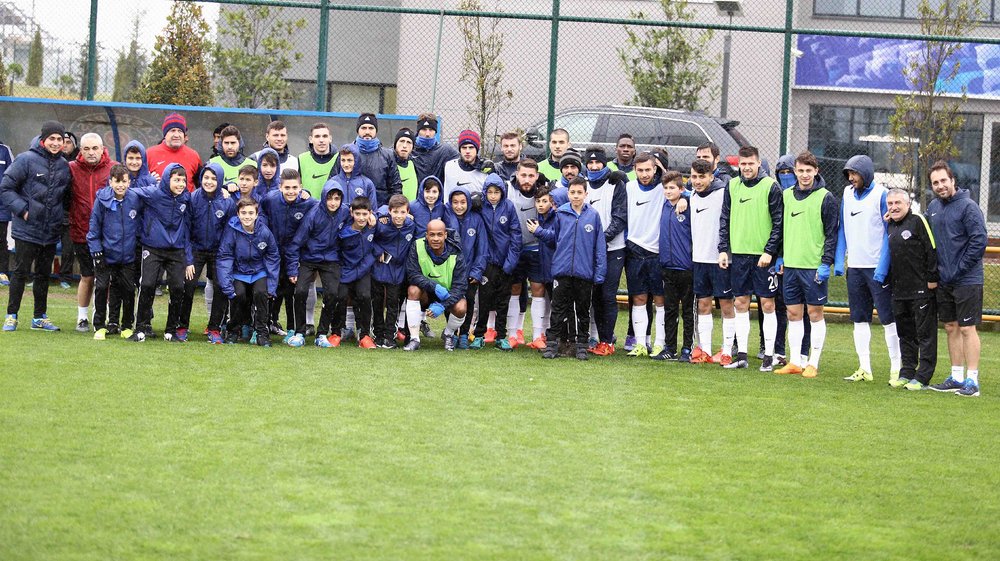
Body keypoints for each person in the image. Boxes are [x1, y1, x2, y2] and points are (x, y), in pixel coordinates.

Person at [835, 155, 902, 383]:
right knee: (859, 319)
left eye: (854, 173)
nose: (851, 178)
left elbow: (889, 232)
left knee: (888, 319)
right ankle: (865, 368)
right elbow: (842, 228)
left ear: (866, 173)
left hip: (876, 268)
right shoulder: (846, 194)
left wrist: (882, 268)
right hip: (855, 268)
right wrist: (839, 261)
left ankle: (896, 368)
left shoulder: (882, 194)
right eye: (849, 174)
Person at [1, 121, 72, 332]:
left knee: (43, 275)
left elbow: (66, 197)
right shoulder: (25, 159)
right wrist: (23, 210)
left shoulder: (64, 165)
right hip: (26, 229)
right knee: (20, 273)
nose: (56, 143)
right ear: (43, 140)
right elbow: (6, 188)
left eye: (60, 139)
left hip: (50, 231)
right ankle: (11, 316)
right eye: (52, 138)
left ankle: (39, 317)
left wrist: (60, 218)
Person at [772, 152, 838, 378]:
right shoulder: (786, 195)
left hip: (813, 267)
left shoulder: (826, 197)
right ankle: (794, 362)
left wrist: (826, 263)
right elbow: (781, 229)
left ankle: (813, 362)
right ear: (795, 172)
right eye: (800, 171)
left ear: (816, 171)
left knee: (815, 313)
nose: (804, 175)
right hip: (791, 266)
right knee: (793, 313)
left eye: (808, 171)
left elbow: (831, 234)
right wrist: (780, 256)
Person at [924, 160, 987, 397]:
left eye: (943, 180)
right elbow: (925, 234)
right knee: (951, 327)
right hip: (944, 280)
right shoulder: (933, 207)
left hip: (967, 279)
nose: (940, 186)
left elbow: (979, 241)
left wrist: (959, 269)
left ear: (953, 180)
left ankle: (972, 381)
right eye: (935, 183)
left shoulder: (969, 207)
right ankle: (957, 377)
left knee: (967, 328)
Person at [718, 145, 782, 370]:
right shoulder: (732, 185)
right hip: (739, 255)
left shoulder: (771, 186)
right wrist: (723, 248)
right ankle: (742, 356)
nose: (746, 168)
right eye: (742, 164)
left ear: (758, 163)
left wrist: (769, 251)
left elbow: (779, 223)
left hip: (763, 257)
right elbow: (725, 218)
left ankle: (769, 357)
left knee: (768, 304)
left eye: (750, 164)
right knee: (740, 302)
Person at [533, 176, 607, 360]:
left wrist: (599, 272)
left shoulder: (593, 216)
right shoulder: (561, 214)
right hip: (562, 270)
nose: (576, 196)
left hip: (584, 272)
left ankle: (581, 345)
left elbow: (599, 246)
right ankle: (552, 344)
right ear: (568, 194)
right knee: (558, 309)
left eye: (579, 192)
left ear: (586, 194)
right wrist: (540, 232)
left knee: (582, 310)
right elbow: (555, 238)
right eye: (572, 192)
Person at [129, 164, 195, 342]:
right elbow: (131, 192)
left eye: (183, 180)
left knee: (177, 288)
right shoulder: (154, 193)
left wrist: (189, 258)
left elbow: (187, 228)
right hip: (153, 247)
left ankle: (170, 331)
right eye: (176, 180)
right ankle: (140, 328)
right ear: (167, 179)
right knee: (147, 284)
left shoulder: (186, 198)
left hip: (176, 250)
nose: (181, 184)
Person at [884, 188, 938, 391]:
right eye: (890, 204)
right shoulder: (890, 225)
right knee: (905, 334)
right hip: (899, 291)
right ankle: (906, 372)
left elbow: (931, 249)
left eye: (898, 203)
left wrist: (932, 278)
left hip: (921, 290)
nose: (894, 207)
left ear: (908, 204)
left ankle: (923, 376)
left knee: (925, 334)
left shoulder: (918, 221)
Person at [286, 181, 349, 348]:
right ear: (324, 198)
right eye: (329, 198)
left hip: (331, 259)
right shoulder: (313, 215)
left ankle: (322, 334)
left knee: (332, 294)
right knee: (300, 292)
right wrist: (292, 269)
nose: (333, 202)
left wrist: (375, 217)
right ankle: (300, 332)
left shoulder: (345, 212)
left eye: (337, 198)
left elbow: (362, 211)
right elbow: (295, 243)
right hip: (309, 258)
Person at [68, 133, 116, 332]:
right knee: (87, 276)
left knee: (106, 279)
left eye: (95, 148)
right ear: (80, 150)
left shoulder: (114, 168)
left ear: (102, 149)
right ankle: (82, 318)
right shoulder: (71, 168)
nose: (91, 152)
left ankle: (104, 316)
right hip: (81, 231)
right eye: (86, 149)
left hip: (108, 235)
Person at [260, 169, 318, 337]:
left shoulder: (308, 202)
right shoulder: (270, 199)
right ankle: (269, 323)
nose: (291, 191)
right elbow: (260, 211)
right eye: (287, 188)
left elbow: (326, 207)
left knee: (291, 291)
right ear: (280, 187)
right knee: (272, 288)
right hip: (273, 253)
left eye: (295, 187)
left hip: (295, 254)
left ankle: (292, 329)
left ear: (301, 187)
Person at [181, 163, 234, 343]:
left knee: (220, 287)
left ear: (220, 181)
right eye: (206, 178)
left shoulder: (227, 202)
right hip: (195, 249)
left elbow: (229, 232)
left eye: (214, 178)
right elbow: (186, 229)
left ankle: (214, 328)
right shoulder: (193, 198)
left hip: (218, 252)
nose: (209, 182)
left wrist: (224, 256)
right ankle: (182, 326)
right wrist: (188, 259)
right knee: (188, 286)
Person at [688, 158, 735, 363]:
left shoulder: (723, 194)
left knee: (726, 304)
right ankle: (705, 350)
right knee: (703, 304)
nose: (697, 181)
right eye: (694, 177)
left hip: (721, 260)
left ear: (711, 176)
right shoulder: (691, 195)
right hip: (699, 259)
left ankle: (727, 351)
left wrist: (724, 250)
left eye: (702, 177)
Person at [87, 164, 141, 340]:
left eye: (124, 181)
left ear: (129, 182)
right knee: (102, 288)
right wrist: (96, 251)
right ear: (110, 182)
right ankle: (99, 326)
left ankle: (125, 326)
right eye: (117, 181)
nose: (120, 185)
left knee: (128, 289)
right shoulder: (101, 201)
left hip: (127, 256)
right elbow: (94, 228)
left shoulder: (135, 199)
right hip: (105, 255)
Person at [217, 197, 280, 347]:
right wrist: (226, 284)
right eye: (243, 213)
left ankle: (262, 333)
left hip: (259, 271)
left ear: (257, 214)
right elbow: (225, 256)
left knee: (261, 293)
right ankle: (233, 331)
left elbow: (273, 256)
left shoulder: (264, 232)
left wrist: (271, 286)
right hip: (239, 271)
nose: (247, 216)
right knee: (238, 294)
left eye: (251, 213)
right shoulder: (232, 230)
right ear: (238, 214)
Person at [582, 148, 627, 356]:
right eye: (590, 163)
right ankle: (597, 338)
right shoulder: (583, 184)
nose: (594, 167)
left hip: (613, 249)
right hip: (589, 250)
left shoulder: (615, 183)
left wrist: (599, 239)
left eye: (597, 163)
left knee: (608, 295)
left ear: (604, 163)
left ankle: (607, 341)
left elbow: (620, 218)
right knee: (594, 295)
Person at [471, 173, 522, 351]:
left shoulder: (508, 207)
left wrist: (510, 263)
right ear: (485, 192)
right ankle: (479, 335)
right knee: (484, 300)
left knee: (503, 302)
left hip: (505, 263)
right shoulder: (479, 207)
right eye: (490, 192)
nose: (493, 196)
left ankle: (501, 336)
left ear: (502, 192)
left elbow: (516, 236)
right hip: (486, 263)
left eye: (496, 192)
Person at [404, 219, 469, 351]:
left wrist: (442, 305)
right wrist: (434, 287)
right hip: (426, 293)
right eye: (432, 235)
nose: (435, 238)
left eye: (439, 234)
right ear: (426, 235)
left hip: (448, 294)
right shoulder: (417, 246)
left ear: (445, 235)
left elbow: (460, 286)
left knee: (461, 306)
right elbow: (412, 274)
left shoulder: (456, 252)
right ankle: (414, 339)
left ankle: (448, 334)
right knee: (413, 290)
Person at [624, 154, 667, 357]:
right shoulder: (629, 187)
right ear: (634, 170)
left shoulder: (663, 188)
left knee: (660, 299)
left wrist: (664, 171)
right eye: (640, 170)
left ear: (655, 169)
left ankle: (659, 343)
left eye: (648, 170)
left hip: (657, 253)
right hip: (634, 251)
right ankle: (640, 344)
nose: (644, 174)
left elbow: (683, 190)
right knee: (639, 298)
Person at [505, 159, 549, 347]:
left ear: (537, 176)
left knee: (538, 289)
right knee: (514, 288)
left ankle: (538, 336)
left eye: (531, 176)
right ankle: (512, 335)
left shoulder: (544, 191)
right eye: (523, 175)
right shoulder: (507, 188)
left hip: (536, 248)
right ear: (517, 174)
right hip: (515, 248)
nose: (527, 179)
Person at [443, 186, 488, 349]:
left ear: (468, 202)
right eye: (455, 202)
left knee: (469, 301)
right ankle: (452, 333)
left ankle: (463, 334)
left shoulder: (476, 219)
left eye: (463, 202)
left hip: (470, 272)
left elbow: (482, 248)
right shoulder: (446, 217)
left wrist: (477, 271)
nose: (459, 206)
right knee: (450, 302)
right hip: (450, 273)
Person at [371, 194, 416, 349]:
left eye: (402, 212)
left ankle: (390, 337)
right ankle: (378, 334)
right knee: (377, 303)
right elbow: (370, 238)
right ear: (389, 211)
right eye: (395, 212)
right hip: (380, 268)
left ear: (408, 212)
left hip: (398, 271)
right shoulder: (381, 223)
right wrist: (378, 251)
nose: (398, 215)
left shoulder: (410, 225)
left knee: (393, 303)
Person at [658, 170, 694, 361]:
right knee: (670, 309)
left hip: (686, 267)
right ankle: (670, 348)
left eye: (672, 187)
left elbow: (695, 194)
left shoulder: (688, 204)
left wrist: (685, 197)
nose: (668, 191)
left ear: (681, 189)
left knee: (688, 310)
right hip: (667, 266)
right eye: (666, 188)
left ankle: (687, 348)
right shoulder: (664, 205)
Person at [334, 196, 377, 349]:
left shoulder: (373, 227)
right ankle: (336, 332)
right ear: (351, 212)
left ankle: (364, 335)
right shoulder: (343, 233)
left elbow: (387, 213)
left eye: (365, 214)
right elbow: (337, 251)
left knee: (365, 296)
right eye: (358, 214)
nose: (361, 218)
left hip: (364, 270)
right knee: (340, 296)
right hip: (346, 270)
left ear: (370, 213)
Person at [331, 113, 402, 206]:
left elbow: (396, 188)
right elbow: (332, 183)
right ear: (358, 130)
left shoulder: (388, 155)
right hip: (351, 210)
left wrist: (386, 210)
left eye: (371, 128)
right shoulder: (346, 153)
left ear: (376, 131)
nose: (367, 131)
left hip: (379, 210)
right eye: (363, 128)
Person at [147, 112, 202, 189]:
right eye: (172, 130)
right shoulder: (149, 154)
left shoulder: (194, 156)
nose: (176, 135)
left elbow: (201, 187)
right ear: (165, 134)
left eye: (180, 131)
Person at [411, 113, 459, 184]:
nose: (427, 134)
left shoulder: (444, 151)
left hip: (437, 190)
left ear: (435, 132)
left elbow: (464, 162)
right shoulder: (409, 150)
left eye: (431, 130)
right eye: (424, 129)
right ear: (418, 131)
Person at [327, 144, 378, 208]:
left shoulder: (367, 184)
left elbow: (373, 210)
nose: (346, 164)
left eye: (349, 160)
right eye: (343, 160)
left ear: (356, 161)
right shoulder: (333, 182)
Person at [443, 129, 490, 198]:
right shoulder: (449, 167)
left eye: (471, 147)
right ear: (460, 149)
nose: (467, 151)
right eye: (464, 147)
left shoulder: (485, 171)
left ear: (477, 149)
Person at [298, 122, 337, 198]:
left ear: (330, 139)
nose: (321, 140)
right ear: (311, 139)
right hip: (308, 205)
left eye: (325, 136)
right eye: (317, 136)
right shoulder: (301, 159)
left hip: (332, 205)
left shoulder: (339, 158)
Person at [0, 139, 13, 286]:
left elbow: (12, 177)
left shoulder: (4, 150)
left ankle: (2, 272)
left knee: (1, 240)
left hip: (1, 207)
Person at [394, 128, 418, 201]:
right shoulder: (388, 163)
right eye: (402, 141)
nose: (404, 145)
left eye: (409, 142)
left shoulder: (414, 164)